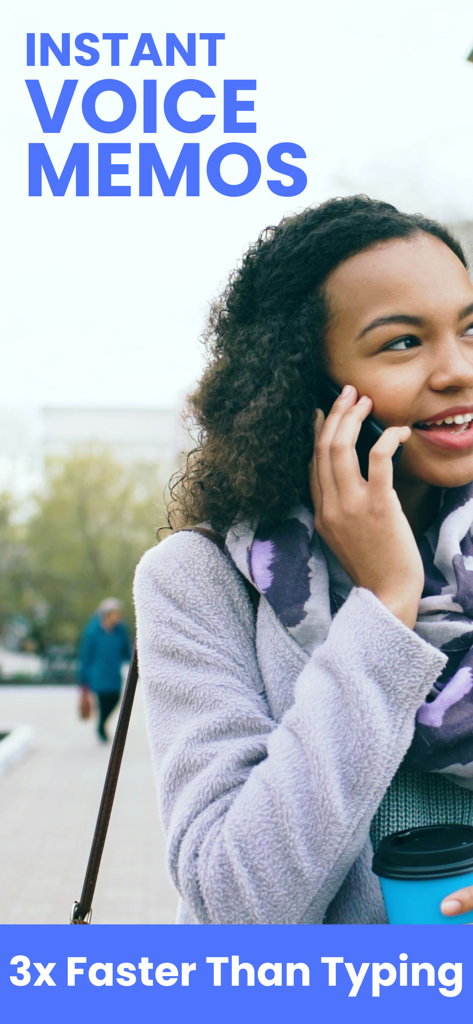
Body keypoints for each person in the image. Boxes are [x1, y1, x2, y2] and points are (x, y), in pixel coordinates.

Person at [134, 195, 473, 924]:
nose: (455, 370)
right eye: (402, 343)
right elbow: (238, 904)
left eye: (471, 329)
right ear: (303, 385)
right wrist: (384, 607)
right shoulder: (199, 585)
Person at [78, 598, 132, 742]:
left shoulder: (120, 631)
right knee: (103, 701)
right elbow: (86, 656)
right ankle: (101, 727)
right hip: (98, 674)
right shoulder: (92, 632)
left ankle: (101, 723)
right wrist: (83, 679)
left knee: (114, 700)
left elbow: (127, 652)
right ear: (106, 614)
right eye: (114, 614)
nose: (117, 617)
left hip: (114, 674)